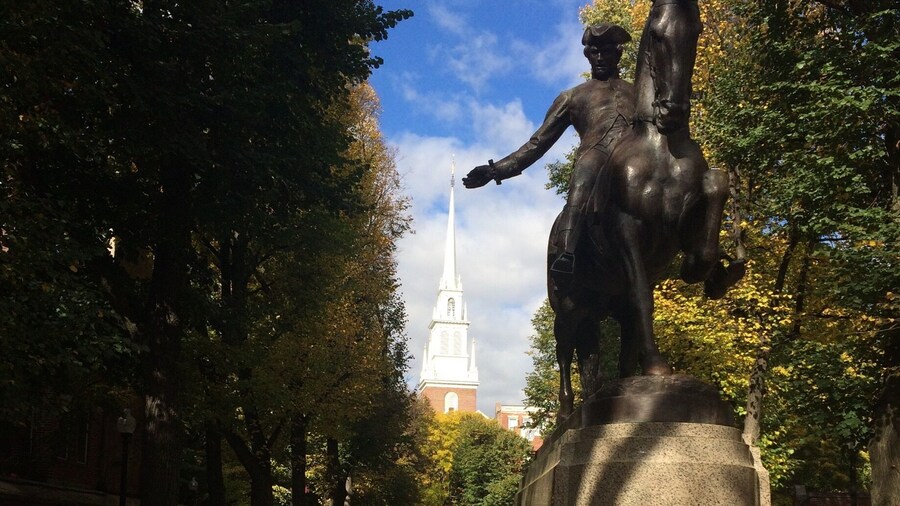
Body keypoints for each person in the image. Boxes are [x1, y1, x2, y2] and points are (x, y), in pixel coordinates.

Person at [463, 23, 634, 287]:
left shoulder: (638, 93)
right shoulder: (573, 97)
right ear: (587, 55)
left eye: (606, 51)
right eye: (594, 52)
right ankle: (568, 250)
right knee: (584, 174)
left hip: (635, 160)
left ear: (618, 54)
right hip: (597, 156)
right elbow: (537, 143)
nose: (599, 58)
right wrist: (495, 170)